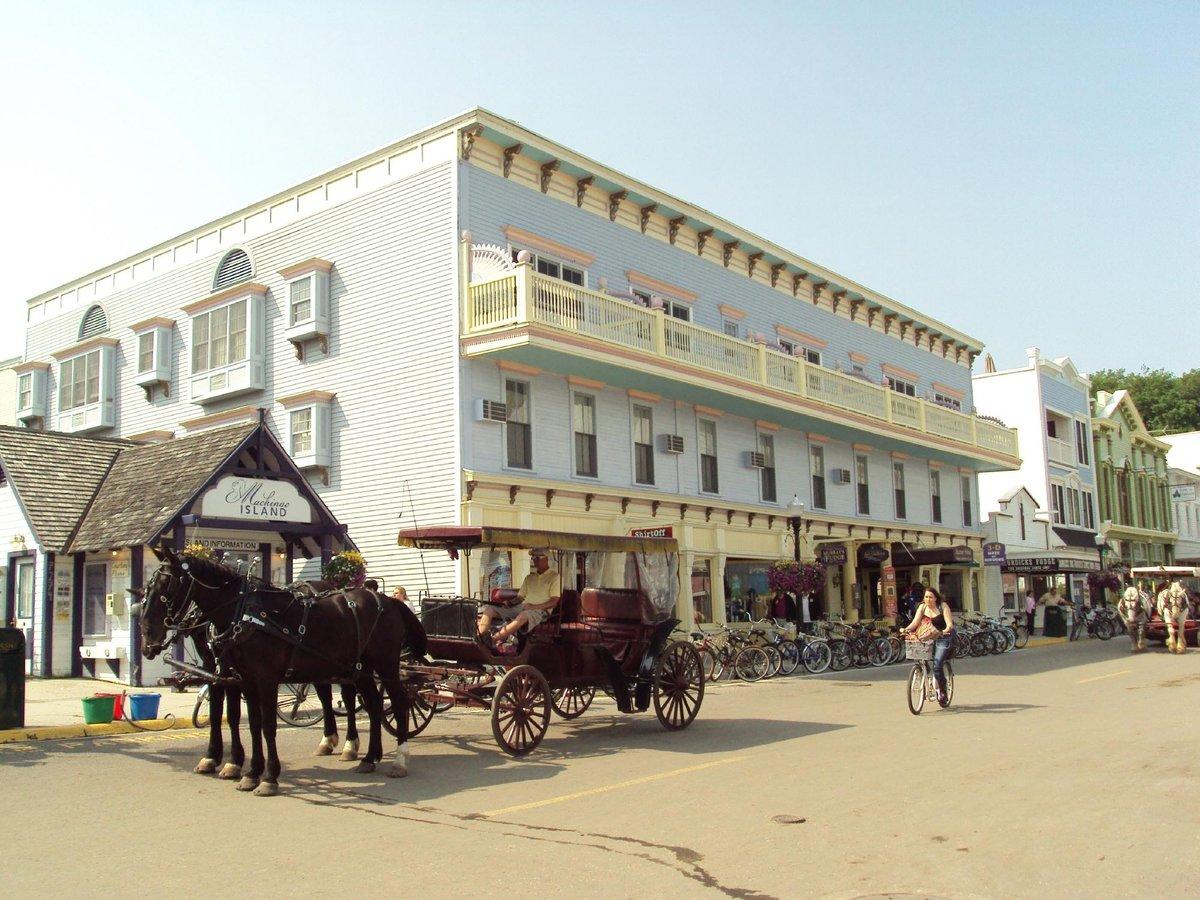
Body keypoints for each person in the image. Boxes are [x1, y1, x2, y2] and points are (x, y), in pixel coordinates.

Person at [477, 548, 559, 650]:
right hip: (523, 607)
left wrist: (534, 607)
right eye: (533, 557)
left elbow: (554, 602)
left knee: (523, 615)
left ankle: (493, 640)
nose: (534, 560)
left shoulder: (555, 577)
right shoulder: (529, 578)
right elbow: (520, 597)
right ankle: (481, 639)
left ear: (547, 559)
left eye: (537, 557)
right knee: (489, 609)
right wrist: (510, 603)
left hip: (541, 611)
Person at [900, 586, 955, 701]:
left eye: (930, 597)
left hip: (943, 637)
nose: (928, 599)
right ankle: (927, 674)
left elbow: (949, 624)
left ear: (936, 598)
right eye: (926, 597)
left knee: (938, 663)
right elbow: (915, 623)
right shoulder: (922, 607)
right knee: (921, 657)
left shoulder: (943, 606)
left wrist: (945, 630)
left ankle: (942, 690)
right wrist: (906, 629)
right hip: (928, 636)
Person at [1116, 586, 1148, 653]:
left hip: (1139, 615)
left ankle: (1141, 641)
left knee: (1141, 630)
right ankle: (1134, 644)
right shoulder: (1123, 606)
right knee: (1130, 630)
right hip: (1128, 616)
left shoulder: (1140, 607)